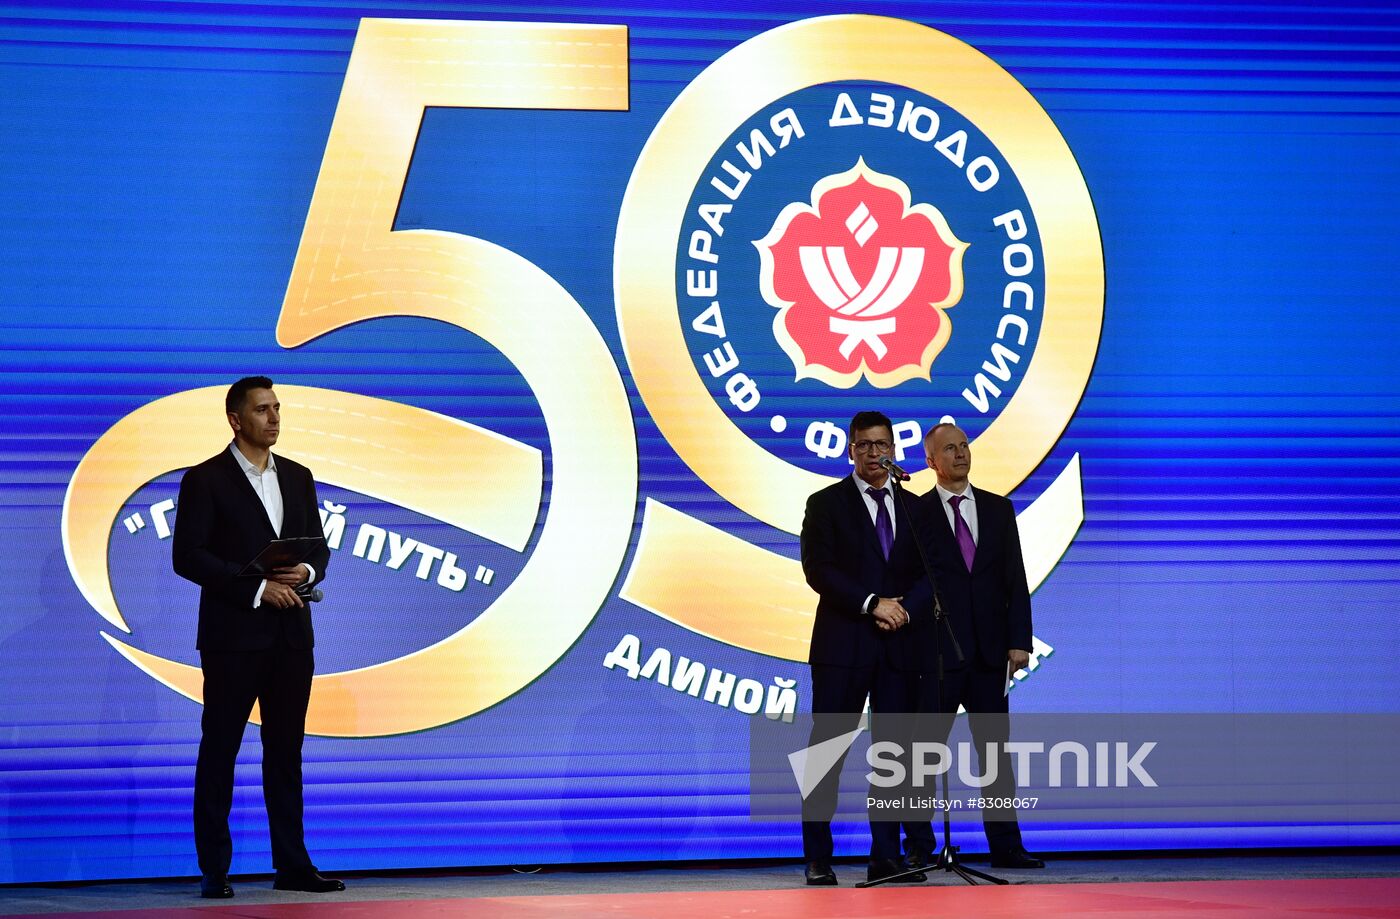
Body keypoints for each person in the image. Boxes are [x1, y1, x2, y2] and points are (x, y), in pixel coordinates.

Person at [172, 376, 345, 898]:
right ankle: (215, 870)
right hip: (233, 637)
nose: (273, 418)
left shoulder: (298, 476)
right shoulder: (205, 479)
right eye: (262, 410)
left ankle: (292, 865)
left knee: (285, 751)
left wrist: (306, 575)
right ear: (235, 419)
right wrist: (256, 589)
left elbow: (316, 547)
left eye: (276, 408)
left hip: (292, 636)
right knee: (220, 748)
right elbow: (188, 556)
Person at [798, 410, 936, 886]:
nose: (874, 453)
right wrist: (872, 603)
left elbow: (930, 574)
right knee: (828, 751)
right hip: (844, 645)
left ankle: (886, 857)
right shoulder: (826, 503)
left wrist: (904, 609)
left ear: (894, 449)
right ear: (850, 450)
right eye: (864, 445)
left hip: (900, 647)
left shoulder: (917, 508)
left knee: (893, 756)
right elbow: (819, 570)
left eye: (882, 445)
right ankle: (817, 856)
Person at [901, 422, 1043, 870]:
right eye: (949, 448)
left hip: (989, 655)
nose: (960, 453)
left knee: (996, 756)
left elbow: (1014, 581)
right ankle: (919, 848)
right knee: (924, 757)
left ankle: (1006, 846)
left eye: (964, 446)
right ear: (930, 462)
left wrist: (1019, 641)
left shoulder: (999, 510)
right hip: (937, 654)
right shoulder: (915, 513)